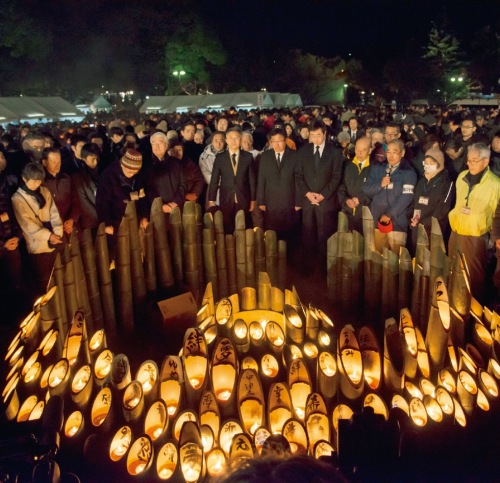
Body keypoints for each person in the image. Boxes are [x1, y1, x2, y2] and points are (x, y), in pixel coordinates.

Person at [448, 143, 500, 304]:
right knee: (452, 271)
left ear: (486, 161)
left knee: (474, 278)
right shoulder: (462, 177)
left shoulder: (495, 184)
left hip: (476, 237)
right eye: (468, 160)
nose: (470, 164)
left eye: (474, 161)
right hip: (456, 232)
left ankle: (473, 311)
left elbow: (496, 214)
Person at [296, 120, 344, 267]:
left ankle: (326, 267)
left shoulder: (335, 152)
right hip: (308, 200)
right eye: (312, 135)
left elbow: (336, 177)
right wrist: (308, 194)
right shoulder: (303, 151)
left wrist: (323, 195)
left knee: (325, 236)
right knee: (307, 235)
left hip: (326, 201)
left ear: (325, 134)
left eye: (318, 135)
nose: (315, 139)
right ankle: (308, 266)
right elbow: (298, 175)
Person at [12, 162, 64, 292]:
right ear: (24, 179)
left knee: (60, 276)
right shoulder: (17, 199)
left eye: (39, 181)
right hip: (38, 246)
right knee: (44, 282)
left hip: (55, 239)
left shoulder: (44, 191)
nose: (37, 184)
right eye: (34, 181)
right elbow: (28, 226)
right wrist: (49, 235)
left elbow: (54, 212)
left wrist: (57, 232)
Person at [364, 138, 417, 254]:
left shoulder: (409, 172)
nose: (390, 156)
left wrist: (389, 215)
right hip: (377, 222)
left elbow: (406, 198)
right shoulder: (377, 168)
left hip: (397, 223)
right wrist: (380, 185)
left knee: (396, 259)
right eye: (388, 152)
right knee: (378, 257)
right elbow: (367, 189)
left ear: (402, 153)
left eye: (394, 152)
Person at [96, 148, 149, 245]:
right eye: (129, 172)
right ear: (122, 165)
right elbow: (102, 202)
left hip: (134, 220)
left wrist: (144, 216)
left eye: (135, 172)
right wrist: (106, 223)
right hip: (116, 221)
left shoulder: (138, 176)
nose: (132, 174)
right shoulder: (108, 176)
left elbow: (142, 196)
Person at [208, 128, 256, 233]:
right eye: (231, 138)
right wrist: (211, 199)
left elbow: (252, 180)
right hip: (226, 197)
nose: (233, 141)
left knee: (244, 224)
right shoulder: (220, 157)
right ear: (226, 140)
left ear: (240, 140)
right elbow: (214, 179)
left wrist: (253, 200)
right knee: (227, 225)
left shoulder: (248, 157)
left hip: (244, 197)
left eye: (236, 138)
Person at [257, 128, 300, 244]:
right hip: (271, 200)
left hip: (289, 199)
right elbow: (261, 178)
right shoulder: (265, 156)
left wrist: (298, 201)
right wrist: (261, 201)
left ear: (285, 140)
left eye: (279, 140)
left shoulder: (295, 155)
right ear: (270, 142)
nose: (276, 144)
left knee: (290, 232)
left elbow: (299, 180)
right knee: (272, 232)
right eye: (273, 141)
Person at [409, 148, 455, 255]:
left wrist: (423, 223)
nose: (427, 165)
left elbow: (442, 210)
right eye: (426, 163)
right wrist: (411, 218)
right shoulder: (421, 181)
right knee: (417, 258)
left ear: (439, 163)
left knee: (431, 260)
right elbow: (413, 202)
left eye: (431, 163)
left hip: (434, 230)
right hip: (416, 228)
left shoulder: (446, 183)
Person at [0, 146, 23, 306]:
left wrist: (17, 236)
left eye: (1, 156)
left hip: (13, 242)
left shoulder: (10, 182)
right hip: (2, 244)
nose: (1, 160)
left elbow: (17, 212)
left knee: (16, 285)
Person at [41, 147, 80, 240]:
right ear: (44, 162)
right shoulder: (41, 183)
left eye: (59, 162)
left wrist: (72, 219)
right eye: (53, 162)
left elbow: (75, 200)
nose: (57, 165)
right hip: (54, 230)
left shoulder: (66, 178)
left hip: (71, 226)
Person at [338, 137, 373, 233]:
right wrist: (346, 200)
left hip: (367, 213)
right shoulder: (347, 165)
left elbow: (377, 189)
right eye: (357, 149)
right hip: (347, 210)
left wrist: (360, 199)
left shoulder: (375, 167)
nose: (359, 152)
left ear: (370, 150)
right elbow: (341, 185)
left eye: (363, 150)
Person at [72, 143, 101, 232]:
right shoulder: (78, 177)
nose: (95, 162)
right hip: (90, 221)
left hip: (105, 217)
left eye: (97, 158)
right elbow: (83, 203)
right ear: (84, 158)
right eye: (92, 159)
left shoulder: (102, 172)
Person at [199, 131, 226, 208]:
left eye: (221, 141)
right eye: (216, 141)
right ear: (212, 142)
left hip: (227, 188)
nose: (219, 143)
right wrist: (216, 182)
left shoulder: (229, 154)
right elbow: (205, 172)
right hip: (212, 187)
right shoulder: (204, 155)